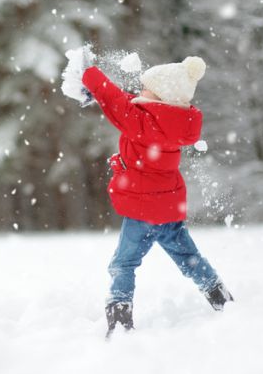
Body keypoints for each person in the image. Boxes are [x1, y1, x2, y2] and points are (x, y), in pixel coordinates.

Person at [80, 53, 233, 338]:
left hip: (143, 210)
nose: (139, 93)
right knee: (189, 258)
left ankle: (119, 318)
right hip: (167, 208)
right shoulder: (171, 121)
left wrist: (89, 74)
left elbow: (116, 102)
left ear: (160, 98)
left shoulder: (142, 123)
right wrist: (99, 92)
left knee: (123, 264)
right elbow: (132, 104)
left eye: (145, 90)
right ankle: (220, 297)